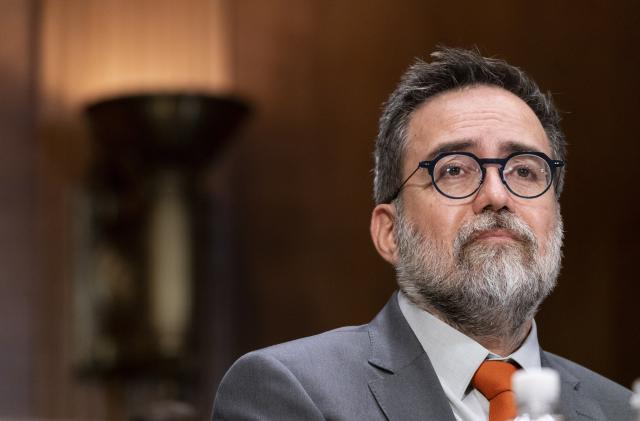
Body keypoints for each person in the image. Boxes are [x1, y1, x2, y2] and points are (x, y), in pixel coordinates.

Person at [212, 47, 633, 421]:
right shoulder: (289, 392)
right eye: (454, 169)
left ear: (555, 218)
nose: (495, 195)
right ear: (389, 232)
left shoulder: (616, 410)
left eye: (524, 171)